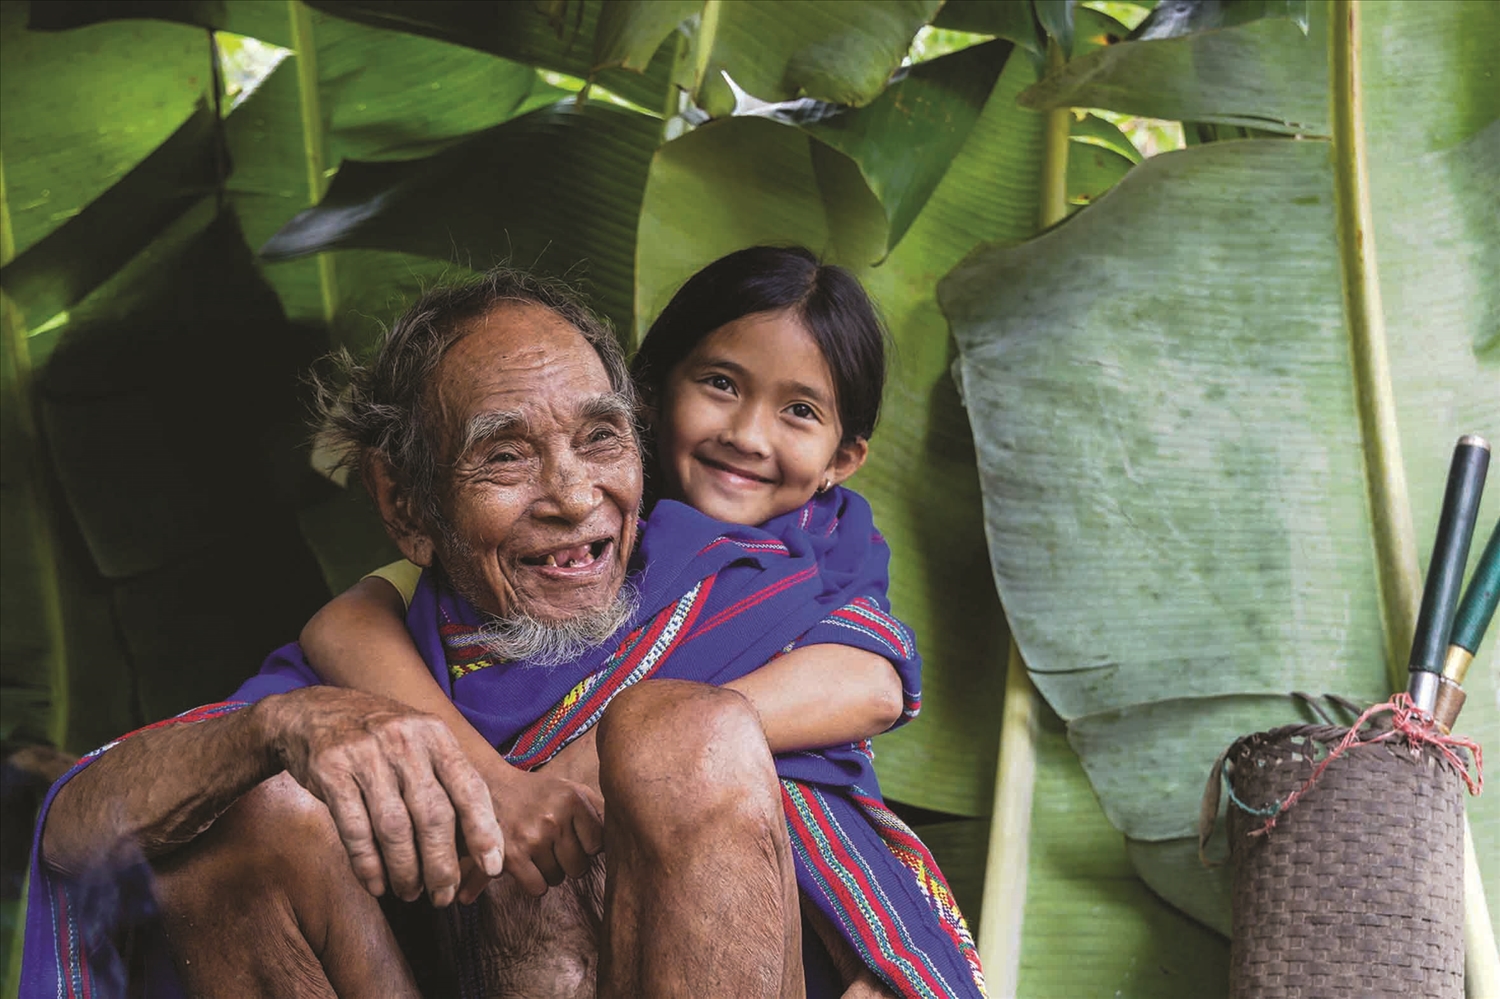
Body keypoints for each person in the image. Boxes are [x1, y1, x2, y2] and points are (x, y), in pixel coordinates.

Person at [21, 261, 981, 998]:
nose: (573, 496)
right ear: (405, 505)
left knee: (686, 735)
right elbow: (75, 829)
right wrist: (278, 729)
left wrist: (595, 759)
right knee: (249, 815)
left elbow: (872, 680)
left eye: (599, 439)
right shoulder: (406, 649)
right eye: (506, 456)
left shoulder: (743, 578)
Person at [299, 246, 985, 998]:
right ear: (650, 396)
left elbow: (873, 682)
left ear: (842, 459)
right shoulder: (584, 532)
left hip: (789, 902)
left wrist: (617, 752)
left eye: (799, 411)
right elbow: (346, 625)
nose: (748, 434)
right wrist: (491, 782)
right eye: (721, 384)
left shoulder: (825, 539)